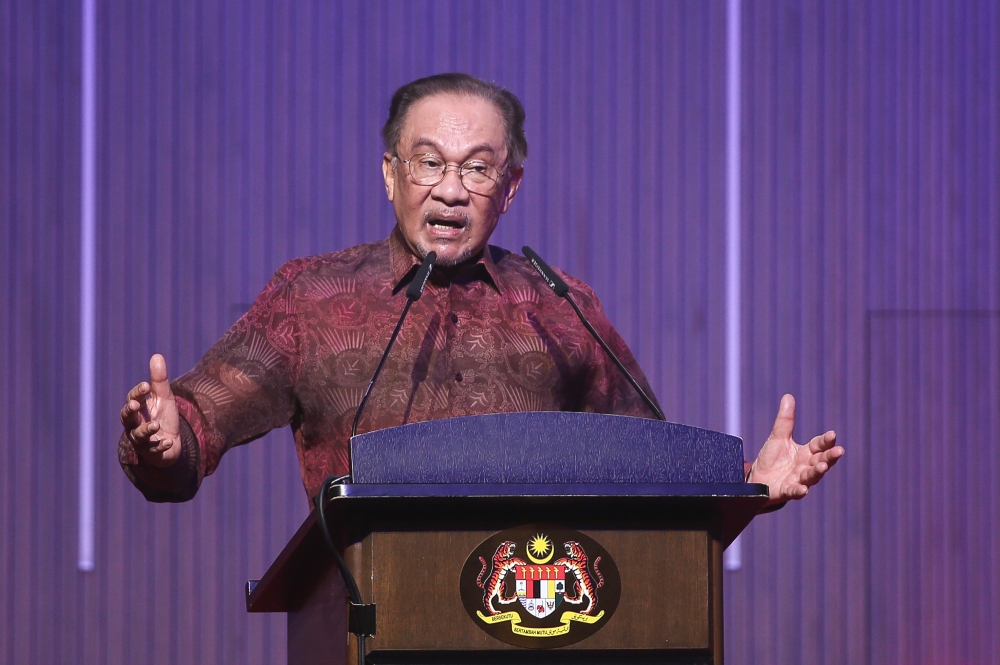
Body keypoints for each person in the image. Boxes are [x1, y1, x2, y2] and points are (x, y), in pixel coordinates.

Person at [119, 73, 843, 507]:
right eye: (428, 162)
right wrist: (166, 437)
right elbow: (199, 420)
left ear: (511, 187)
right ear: (391, 174)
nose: (450, 191)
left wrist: (746, 487)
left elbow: (648, 470)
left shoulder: (561, 306)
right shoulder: (313, 297)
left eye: (477, 168)